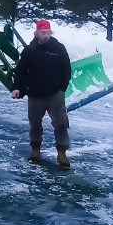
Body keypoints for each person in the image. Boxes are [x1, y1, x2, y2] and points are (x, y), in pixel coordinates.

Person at [10, 20, 73, 169]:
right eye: (43, 32)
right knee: (35, 124)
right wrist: (17, 87)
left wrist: (62, 88)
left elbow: (66, 69)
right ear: (37, 33)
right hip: (35, 94)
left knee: (61, 123)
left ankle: (62, 154)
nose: (46, 35)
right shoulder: (29, 50)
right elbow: (20, 71)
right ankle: (36, 151)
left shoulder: (59, 48)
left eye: (48, 32)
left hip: (55, 94)